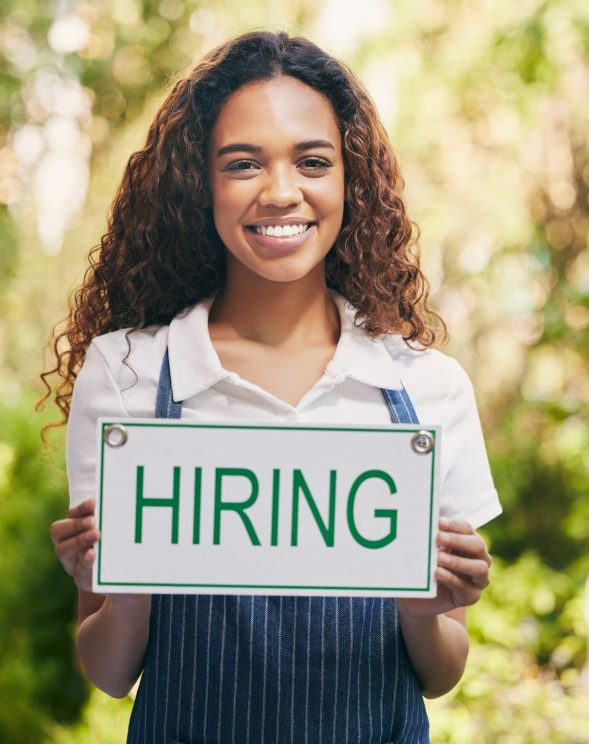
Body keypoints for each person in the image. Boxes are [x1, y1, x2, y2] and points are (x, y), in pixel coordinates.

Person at [42, 30, 501, 743]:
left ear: (351, 180)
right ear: (203, 184)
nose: (280, 192)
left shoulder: (426, 387)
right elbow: (108, 670)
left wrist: (426, 607)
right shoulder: (127, 373)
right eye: (243, 163)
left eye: (312, 161)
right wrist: (121, 573)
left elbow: (442, 673)